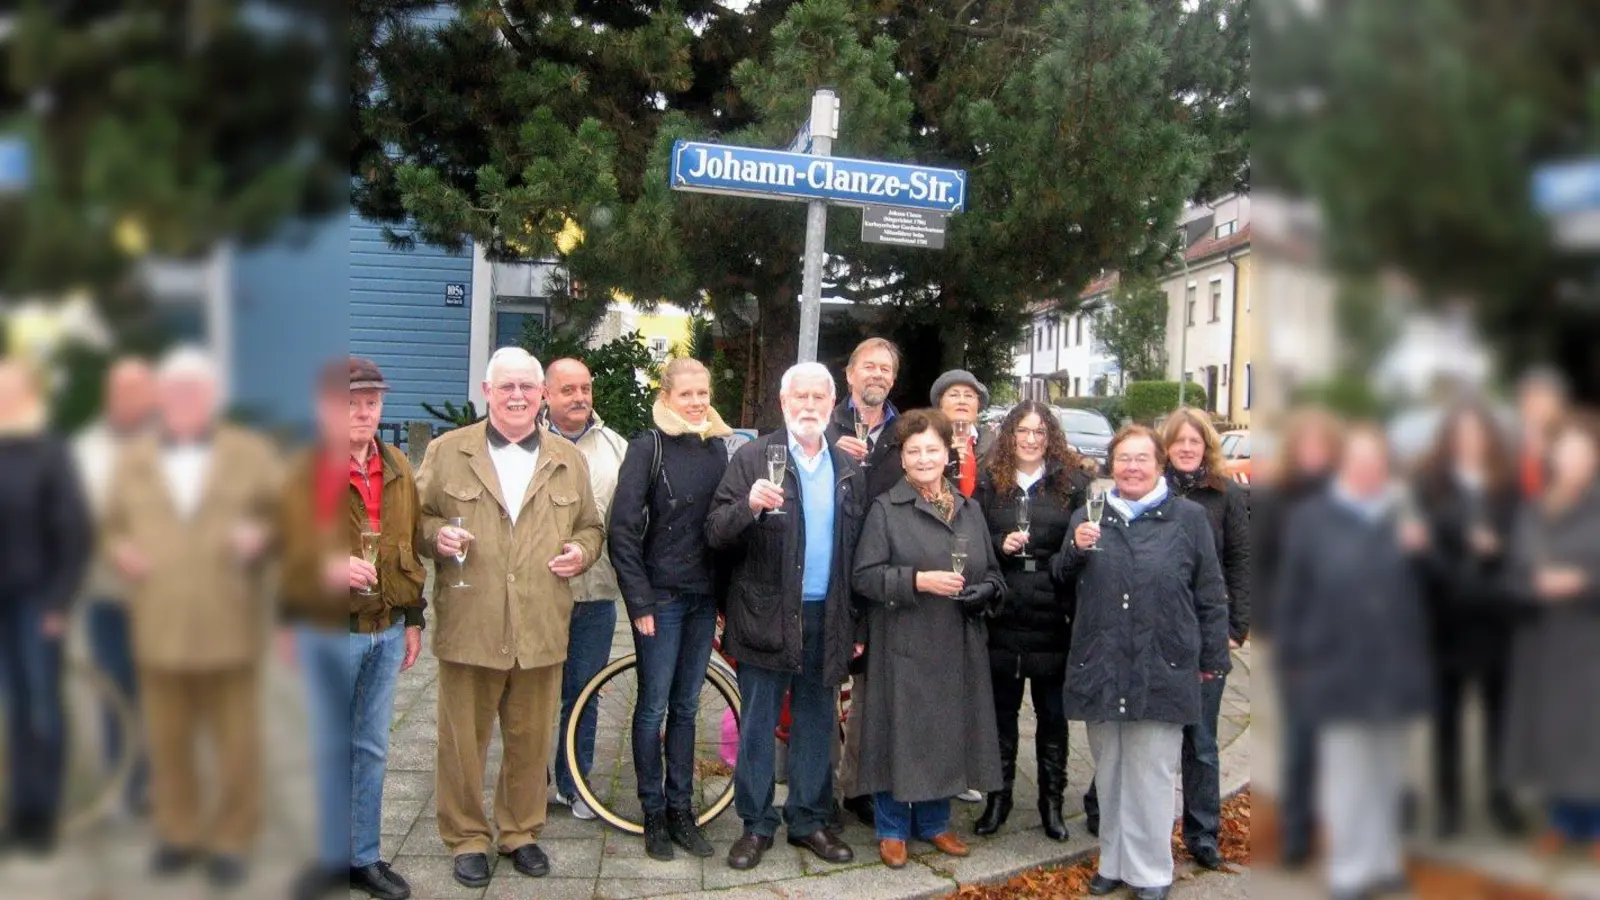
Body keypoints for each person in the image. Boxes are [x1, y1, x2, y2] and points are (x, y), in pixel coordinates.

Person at [416, 347, 604, 888]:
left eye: (527, 386)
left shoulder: (568, 459)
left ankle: (520, 831)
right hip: (472, 619)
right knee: (461, 740)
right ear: (487, 390)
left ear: (542, 393)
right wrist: (437, 536)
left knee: (529, 738)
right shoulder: (451, 452)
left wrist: (582, 554)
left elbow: (591, 528)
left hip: (542, 620)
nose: (518, 396)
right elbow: (419, 521)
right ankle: (467, 837)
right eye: (507, 387)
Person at [105, 347, 281, 886]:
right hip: (158, 626)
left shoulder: (250, 453)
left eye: (194, 392)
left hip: (229, 623)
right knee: (167, 740)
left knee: (235, 744)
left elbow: (285, 517)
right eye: (174, 392)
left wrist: (264, 536)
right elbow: (108, 526)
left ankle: (231, 840)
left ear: (213, 398)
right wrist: (118, 551)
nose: (183, 401)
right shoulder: (134, 459)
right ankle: (179, 834)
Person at [1054, 424, 1230, 900]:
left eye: (1142, 458)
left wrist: (1213, 660)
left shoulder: (1188, 518)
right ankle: (1113, 861)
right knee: (1110, 772)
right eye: (1123, 458)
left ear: (1159, 464)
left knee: (1151, 774)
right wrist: (1075, 549)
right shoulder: (1089, 514)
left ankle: (1151, 871)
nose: (1131, 467)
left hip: (1164, 663)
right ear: (1111, 465)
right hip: (1103, 661)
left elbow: (1211, 594)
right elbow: (1060, 578)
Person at [707, 362, 865, 871]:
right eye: (800, 396)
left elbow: (857, 552)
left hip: (827, 614)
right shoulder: (755, 457)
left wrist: (856, 623)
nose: (810, 406)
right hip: (765, 615)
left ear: (832, 403)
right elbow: (715, 532)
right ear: (782, 402)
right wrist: (748, 506)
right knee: (756, 723)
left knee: (817, 721)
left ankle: (808, 820)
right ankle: (755, 825)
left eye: (820, 397)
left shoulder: (847, 468)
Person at [280, 358, 427, 900]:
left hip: (385, 631)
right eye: (351, 402)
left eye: (371, 401)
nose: (363, 411)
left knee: (370, 749)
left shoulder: (397, 466)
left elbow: (407, 544)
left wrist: (412, 620)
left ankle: (362, 858)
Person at [1273, 424, 1434, 900]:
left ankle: (1383, 860)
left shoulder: (1401, 514)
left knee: (1387, 771)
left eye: (1376, 460)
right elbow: (1291, 596)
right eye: (1360, 459)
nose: (1369, 468)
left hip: (1395, 669)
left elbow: (1434, 592)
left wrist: (1423, 551)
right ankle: (1347, 869)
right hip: (1335, 667)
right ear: (1346, 464)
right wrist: (1293, 662)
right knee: (1345, 772)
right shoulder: (1312, 519)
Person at [852, 408, 1006, 869]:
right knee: (897, 732)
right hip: (904, 641)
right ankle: (892, 828)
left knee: (946, 732)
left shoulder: (969, 509)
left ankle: (935, 824)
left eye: (931, 450)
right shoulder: (885, 508)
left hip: (957, 642)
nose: (923, 459)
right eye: (913, 451)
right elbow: (864, 577)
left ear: (947, 454)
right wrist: (917, 581)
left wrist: (986, 590)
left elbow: (995, 574)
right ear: (902, 459)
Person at [607, 356, 734, 861]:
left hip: (703, 598)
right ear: (666, 397)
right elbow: (621, 530)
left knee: (685, 708)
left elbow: (723, 528)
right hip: (660, 597)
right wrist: (637, 599)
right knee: (654, 706)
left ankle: (683, 810)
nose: (698, 402)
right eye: (687, 394)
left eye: (703, 393)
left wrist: (724, 598)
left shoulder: (718, 448)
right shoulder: (648, 447)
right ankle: (653, 812)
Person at [972, 400, 1090, 840]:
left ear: (1051, 437)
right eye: (1023, 430)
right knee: (1001, 713)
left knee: (1053, 715)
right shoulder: (990, 481)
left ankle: (1052, 803)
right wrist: (1001, 543)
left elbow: (1079, 549)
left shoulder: (1071, 484)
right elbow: (975, 537)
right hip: (1003, 609)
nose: (1031, 439)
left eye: (1040, 432)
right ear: (1010, 434)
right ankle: (998, 799)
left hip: (1051, 611)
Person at [1413, 400, 1525, 838]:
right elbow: (1420, 549)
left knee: (1500, 718)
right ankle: (1449, 806)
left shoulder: (1507, 489)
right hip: (1447, 623)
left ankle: (1501, 799)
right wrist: (1459, 564)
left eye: (1477, 435)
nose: (1470, 443)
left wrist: (1498, 551)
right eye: (1461, 435)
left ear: (1489, 439)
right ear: (1449, 440)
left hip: (1497, 622)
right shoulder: (1430, 487)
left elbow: (1524, 548)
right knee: (1447, 721)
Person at [0, 359, 92, 856]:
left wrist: (59, 599)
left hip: (38, 602)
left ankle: (45, 814)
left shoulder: (49, 451)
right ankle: (21, 813)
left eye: (11, 390)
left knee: (42, 709)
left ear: (29, 394)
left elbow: (74, 531)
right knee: (13, 711)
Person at [1502, 412, 1600, 862]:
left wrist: (1581, 583)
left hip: (1588, 636)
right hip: (1543, 640)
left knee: (1590, 730)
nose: (1575, 459)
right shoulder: (1535, 507)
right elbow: (1514, 571)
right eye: (1568, 450)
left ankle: (1595, 824)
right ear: (1555, 456)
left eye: (1584, 451)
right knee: (1554, 732)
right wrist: (1532, 584)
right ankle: (1563, 819)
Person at [1247, 405, 1341, 866]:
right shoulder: (1275, 500)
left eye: (1322, 446)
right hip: (1298, 638)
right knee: (1301, 738)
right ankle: (1299, 830)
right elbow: (1258, 567)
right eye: (1305, 445)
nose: (1313, 454)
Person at [1162, 408, 1251, 869]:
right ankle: (1105, 807)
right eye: (1178, 442)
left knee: (1200, 739)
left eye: (1194, 442)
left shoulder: (1225, 495)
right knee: (1148, 732)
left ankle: (1202, 832)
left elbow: (1241, 561)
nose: (1186, 449)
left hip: (1205, 631)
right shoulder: (1151, 490)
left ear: (1206, 447)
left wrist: (1237, 627)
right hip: (1158, 632)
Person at [542, 358, 629, 821]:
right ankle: (530, 782)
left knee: (585, 691)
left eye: (586, 389)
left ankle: (576, 782)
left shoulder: (617, 448)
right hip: (537, 594)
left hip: (595, 592)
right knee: (531, 690)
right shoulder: (525, 441)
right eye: (569, 389)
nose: (579, 398)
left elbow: (630, 522)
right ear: (546, 394)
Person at [71, 355, 156, 819]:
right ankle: (125, 782)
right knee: (117, 690)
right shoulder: (86, 448)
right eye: (124, 392)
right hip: (109, 595)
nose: (133, 401)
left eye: (141, 391)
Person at [826, 337, 905, 827]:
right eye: (868, 366)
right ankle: (818, 792)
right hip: (829, 570)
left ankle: (857, 787)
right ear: (849, 375)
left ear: (893, 380)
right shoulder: (823, 423)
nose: (876, 374)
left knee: (871, 691)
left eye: (886, 368)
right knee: (822, 686)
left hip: (879, 575)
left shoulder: (906, 432)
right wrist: (829, 453)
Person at [932, 369, 990, 499]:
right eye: (954, 395)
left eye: (969, 396)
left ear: (978, 405)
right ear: (940, 403)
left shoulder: (994, 445)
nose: (962, 401)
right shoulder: (927, 443)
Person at [1514, 367, 1567, 498]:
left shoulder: (1573, 447)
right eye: (1528, 399)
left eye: (1542, 399)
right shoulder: (1510, 443)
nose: (1535, 407)